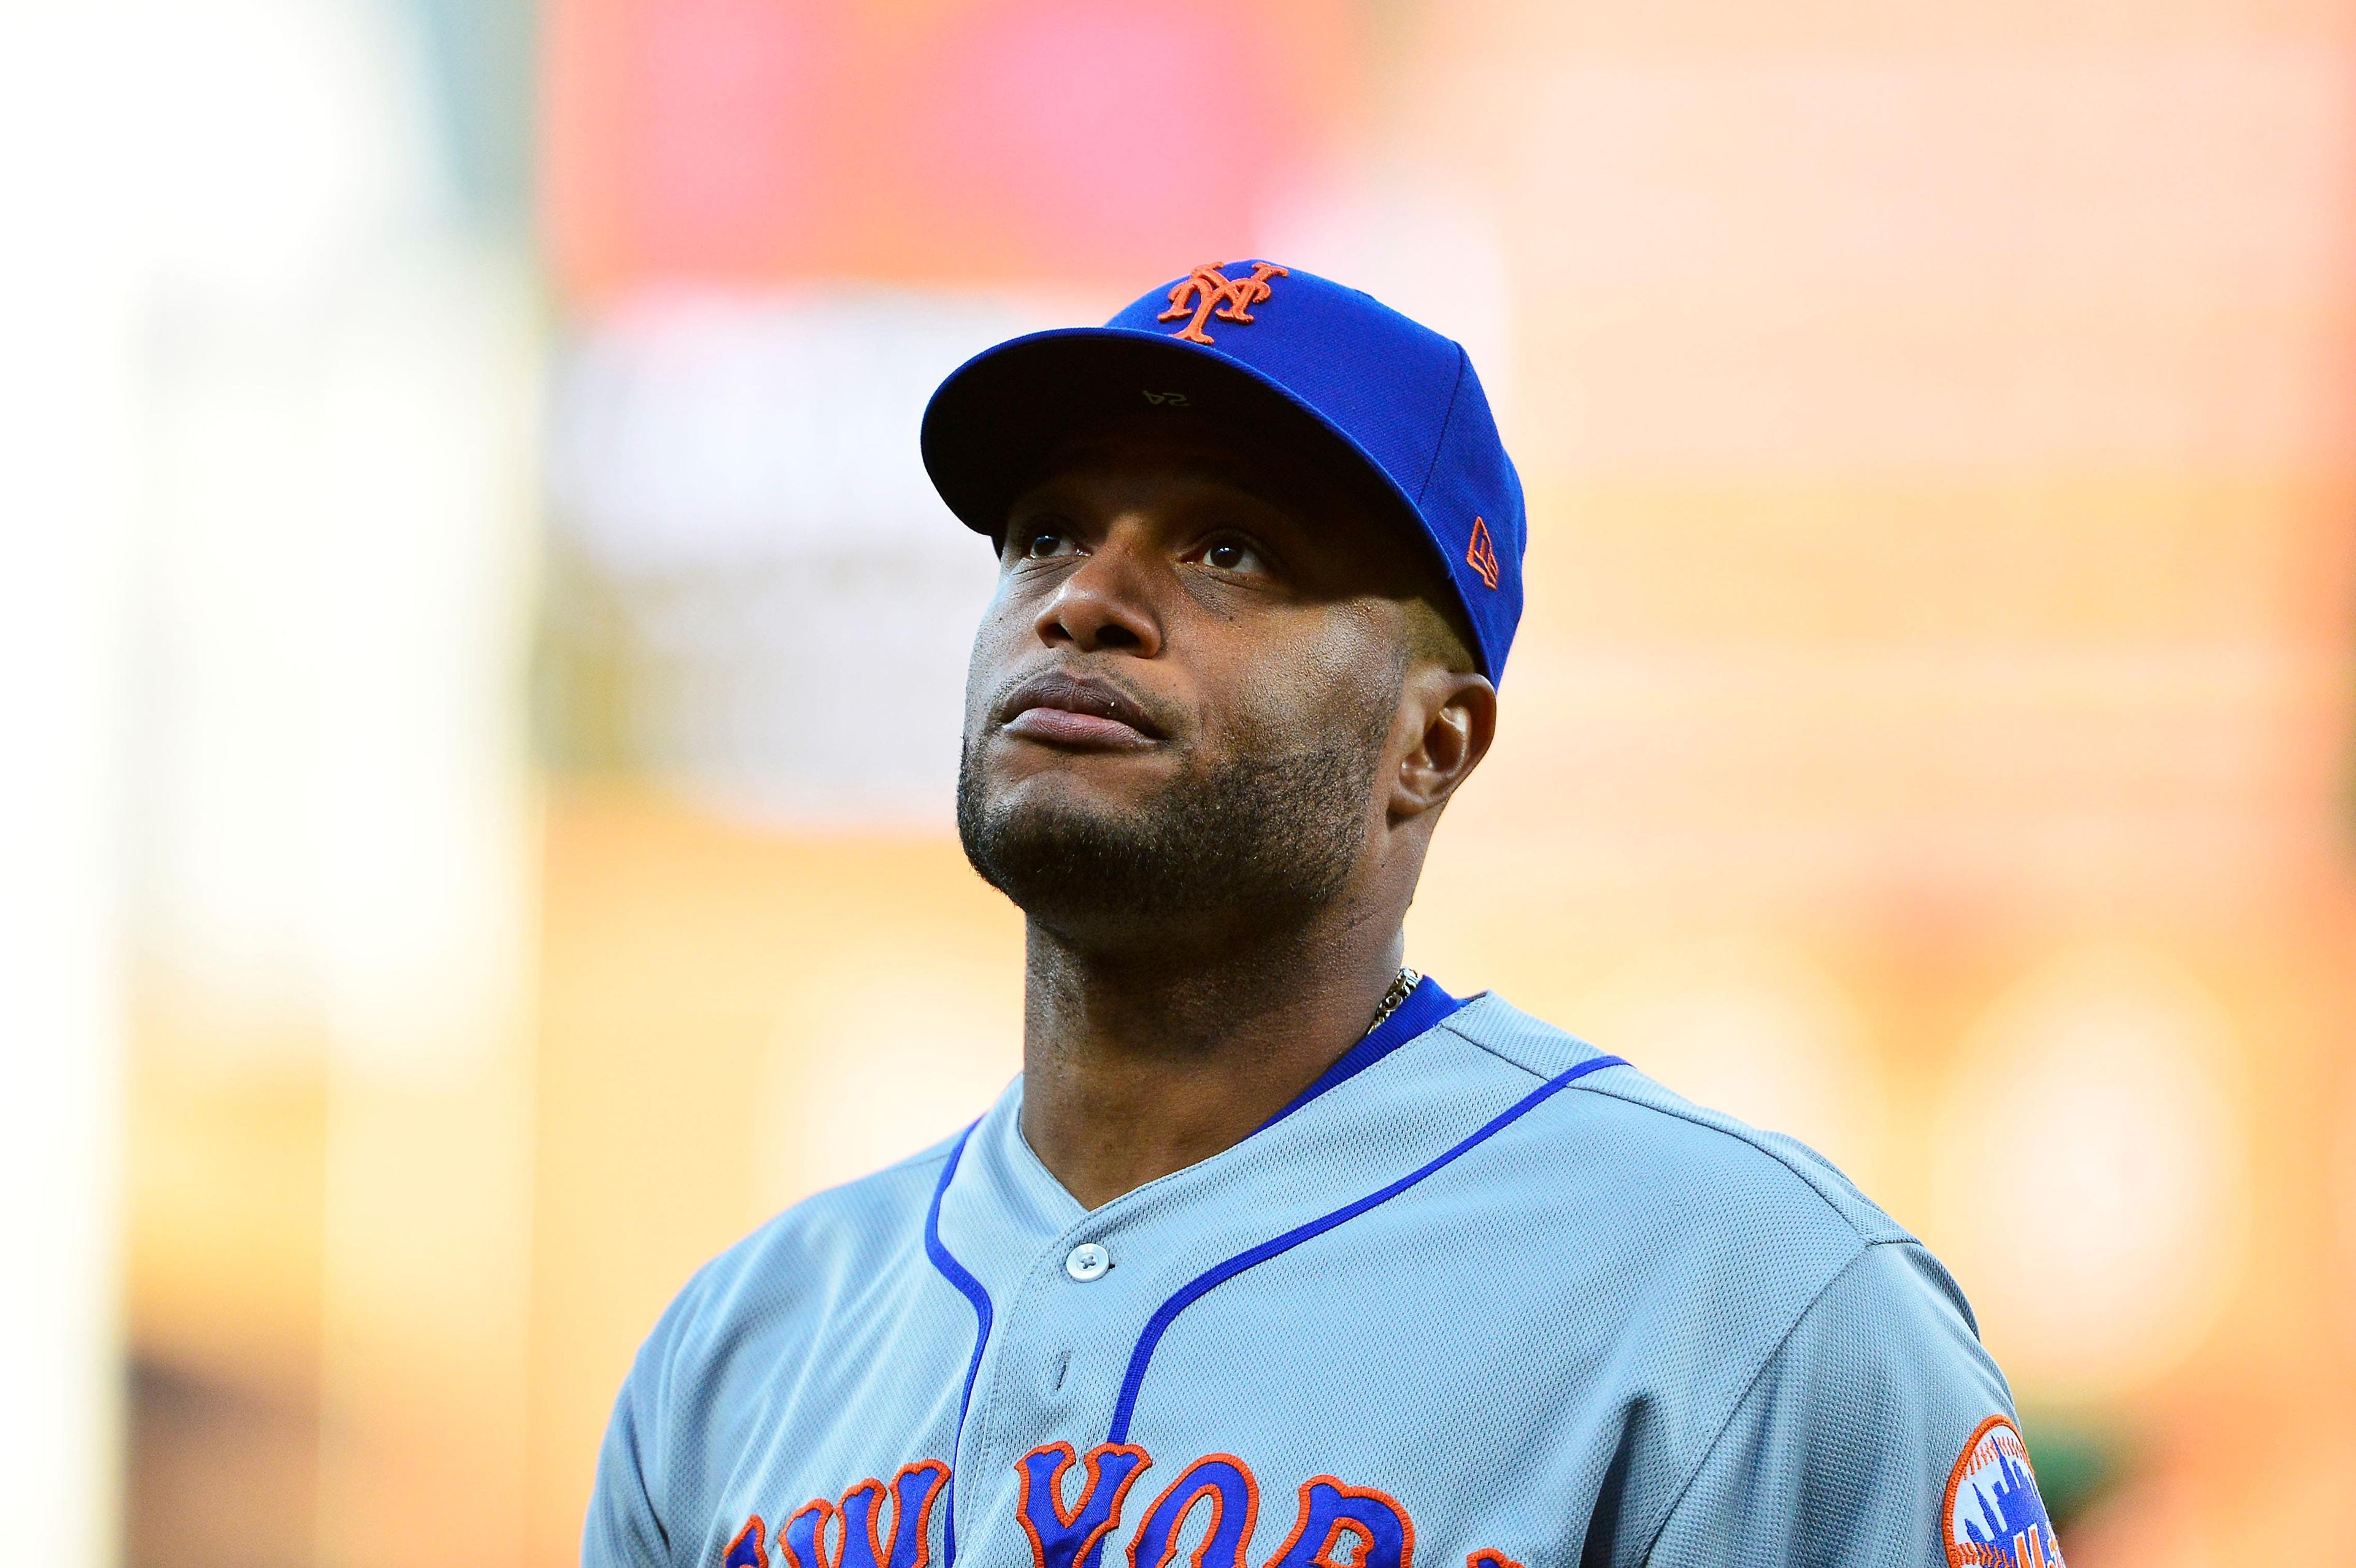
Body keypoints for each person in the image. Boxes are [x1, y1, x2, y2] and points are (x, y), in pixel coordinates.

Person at [585, 263, 2064, 1568]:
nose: (1085, 600)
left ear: (1433, 743)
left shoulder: (1750, 1306)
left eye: (1229, 550)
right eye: (1043, 534)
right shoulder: (743, 1350)